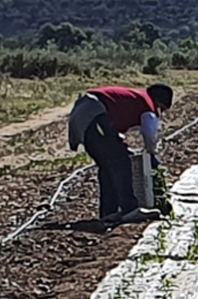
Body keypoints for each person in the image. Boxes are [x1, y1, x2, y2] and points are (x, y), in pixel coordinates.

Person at [69, 82, 173, 224]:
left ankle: (109, 212)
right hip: (94, 113)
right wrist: (151, 155)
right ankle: (130, 209)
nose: (160, 113)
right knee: (121, 161)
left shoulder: (134, 100)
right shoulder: (148, 105)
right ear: (159, 103)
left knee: (107, 165)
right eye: (162, 109)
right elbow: (149, 134)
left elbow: (112, 135)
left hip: (82, 113)